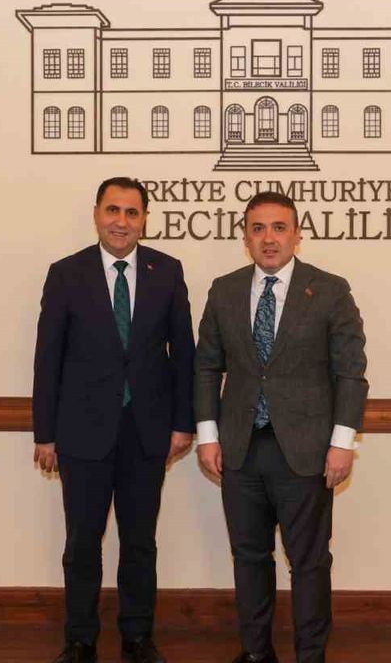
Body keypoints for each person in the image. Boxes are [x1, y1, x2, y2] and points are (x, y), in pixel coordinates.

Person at [194, 191, 369, 663]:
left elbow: (350, 372)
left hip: (307, 452)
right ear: (245, 237)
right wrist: (207, 436)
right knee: (249, 558)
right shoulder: (224, 290)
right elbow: (206, 366)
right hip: (240, 449)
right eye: (258, 228)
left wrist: (342, 443)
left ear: (297, 234)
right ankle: (256, 652)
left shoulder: (329, 290)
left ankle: (310, 655)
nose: (268, 238)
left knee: (309, 563)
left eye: (278, 227)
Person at [33, 177, 195, 663]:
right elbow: (48, 359)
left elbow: (184, 355)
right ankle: (80, 639)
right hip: (82, 432)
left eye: (131, 212)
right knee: (82, 542)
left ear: (144, 219)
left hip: (147, 431)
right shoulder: (66, 273)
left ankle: (137, 637)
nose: (121, 221)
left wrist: (183, 423)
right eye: (112, 210)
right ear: (96, 214)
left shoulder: (167, 271)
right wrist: (45, 434)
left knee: (140, 542)